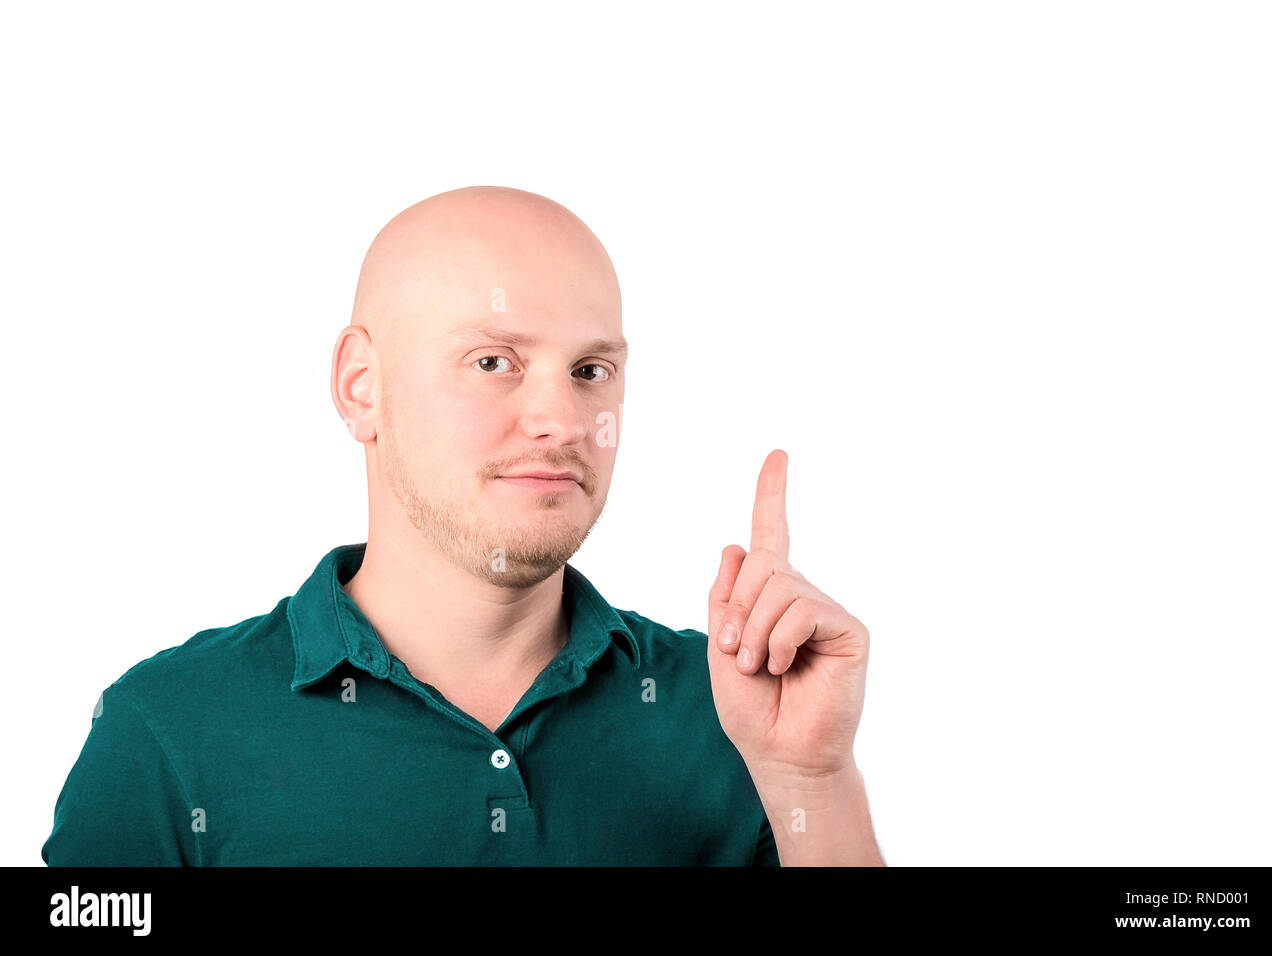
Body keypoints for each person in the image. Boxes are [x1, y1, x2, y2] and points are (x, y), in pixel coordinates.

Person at [42, 186, 884, 865]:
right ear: (361, 386)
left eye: (591, 370)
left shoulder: (733, 714)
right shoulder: (165, 734)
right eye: (494, 362)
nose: (562, 419)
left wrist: (811, 782)